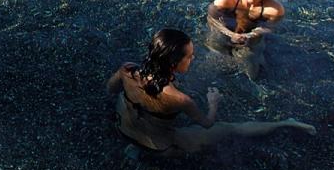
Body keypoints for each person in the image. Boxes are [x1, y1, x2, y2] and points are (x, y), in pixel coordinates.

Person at [107, 28, 313, 155]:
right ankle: (286, 123)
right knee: (230, 129)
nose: (193, 59)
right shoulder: (180, 99)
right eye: (190, 56)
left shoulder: (128, 69)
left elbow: (111, 89)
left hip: (123, 129)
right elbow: (207, 123)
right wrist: (213, 102)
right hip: (159, 148)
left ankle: (133, 151)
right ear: (174, 63)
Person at [206, 0, 284, 79]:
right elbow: (212, 21)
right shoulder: (225, 1)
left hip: (251, 36)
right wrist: (230, 34)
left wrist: (251, 35)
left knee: (251, 66)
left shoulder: (274, 10)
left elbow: (269, 28)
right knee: (215, 53)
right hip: (225, 30)